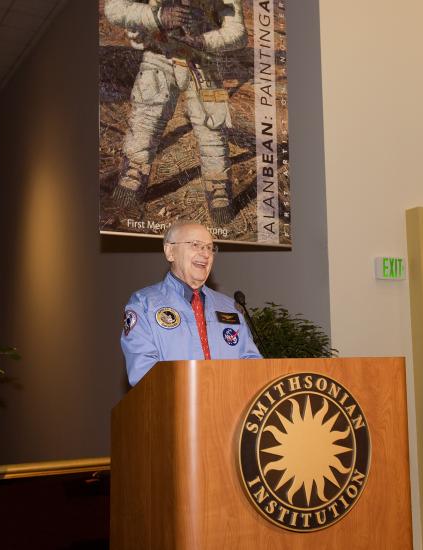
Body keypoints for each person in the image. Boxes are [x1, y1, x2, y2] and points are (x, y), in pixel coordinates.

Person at [104, 0, 247, 223]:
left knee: (213, 124)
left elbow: (238, 32)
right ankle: (135, 169)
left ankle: (217, 182)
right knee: (148, 114)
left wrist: (202, 40)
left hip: (203, 60)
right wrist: (158, 17)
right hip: (160, 53)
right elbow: (114, 8)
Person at [121, 221, 262, 386]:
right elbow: (143, 373)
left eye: (210, 248)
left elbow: (252, 363)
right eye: (196, 245)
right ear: (170, 252)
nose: (206, 254)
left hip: (229, 407)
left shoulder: (230, 307)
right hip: (175, 408)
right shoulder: (144, 304)